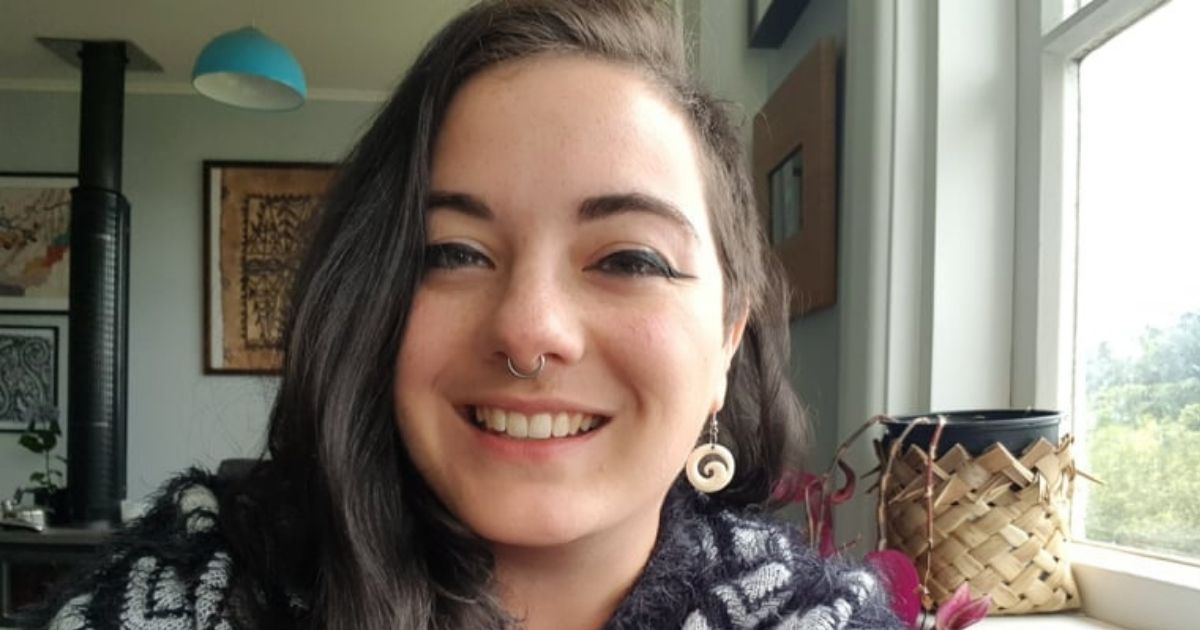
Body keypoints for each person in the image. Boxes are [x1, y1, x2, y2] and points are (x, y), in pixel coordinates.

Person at [40, 1, 902, 628]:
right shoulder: (176, 607)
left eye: (629, 259)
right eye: (452, 254)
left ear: (726, 338)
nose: (530, 331)